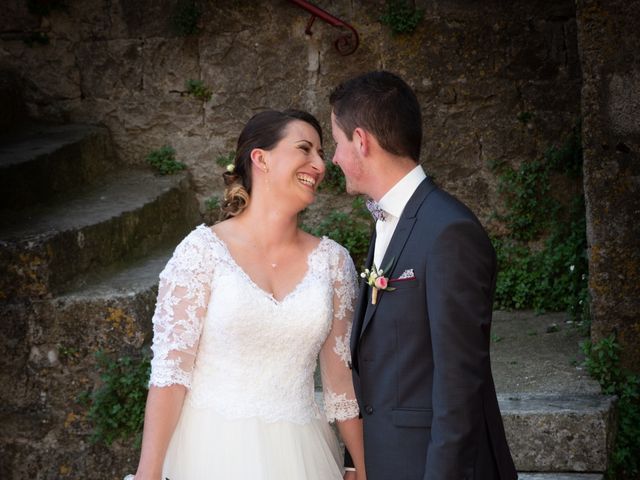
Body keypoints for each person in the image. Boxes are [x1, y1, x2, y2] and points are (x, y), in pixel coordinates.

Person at [127, 109, 366, 480]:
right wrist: (148, 474)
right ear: (261, 158)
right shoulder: (202, 252)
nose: (319, 164)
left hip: (302, 457)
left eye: (321, 153)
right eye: (305, 149)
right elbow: (170, 376)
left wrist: (362, 466)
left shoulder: (332, 262)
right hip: (210, 452)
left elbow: (341, 385)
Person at [330, 71, 517, 480]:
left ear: (361, 141)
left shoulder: (449, 232)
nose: (335, 158)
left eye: (338, 143)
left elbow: (459, 385)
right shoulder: (386, 222)